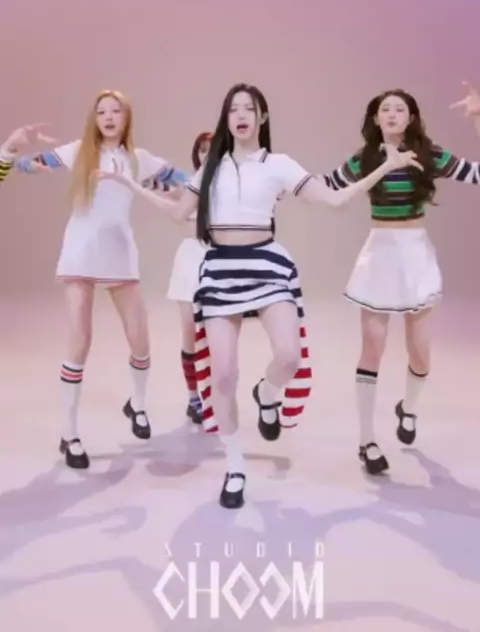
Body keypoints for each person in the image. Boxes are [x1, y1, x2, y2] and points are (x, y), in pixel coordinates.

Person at [96, 83, 420, 508]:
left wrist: (384, 168)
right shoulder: (211, 167)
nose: (241, 115)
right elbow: (177, 213)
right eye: (234, 109)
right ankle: (234, 466)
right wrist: (131, 184)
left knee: (289, 356)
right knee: (223, 375)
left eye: (249, 108)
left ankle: (268, 394)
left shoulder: (278, 164)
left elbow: (335, 200)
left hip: (267, 264)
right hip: (220, 269)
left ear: (262, 117)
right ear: (226, 119)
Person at [15, 89, 189, 469]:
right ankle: (69, 433)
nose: (109, 117)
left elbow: (185, 181)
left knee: (140, 339)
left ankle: (137, 404)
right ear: (94, 119)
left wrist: (191, 185)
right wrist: (21, 155)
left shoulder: (139, 159)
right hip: (82, 250)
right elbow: (27, 165)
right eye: (102, 112)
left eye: (116, 111)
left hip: (120, 253)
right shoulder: (79, 150)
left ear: (127, 118)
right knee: (79, 341)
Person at [323, 89, 480, 476]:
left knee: (421, 354)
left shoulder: (429, 155)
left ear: (411, 118)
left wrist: (478, 119)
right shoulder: (364, 159)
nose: (392, 114)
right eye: (385, 109)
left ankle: (408, 409)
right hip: (380, 254)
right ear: (376, 118)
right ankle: (366, 441)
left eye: (400, 109)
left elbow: (476, 174)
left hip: (415, 256)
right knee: (372, 348)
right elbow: (326, 187)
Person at [166, 131, 212, 424]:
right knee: (190, 334)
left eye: (212, 149)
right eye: (202, 149)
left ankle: (212, 396)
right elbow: (166, 193)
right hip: (191, 259)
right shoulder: (187, 184)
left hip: (221, 260)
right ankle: (194, 398)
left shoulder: (231, 184)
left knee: (218, 337)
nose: (207, 153)